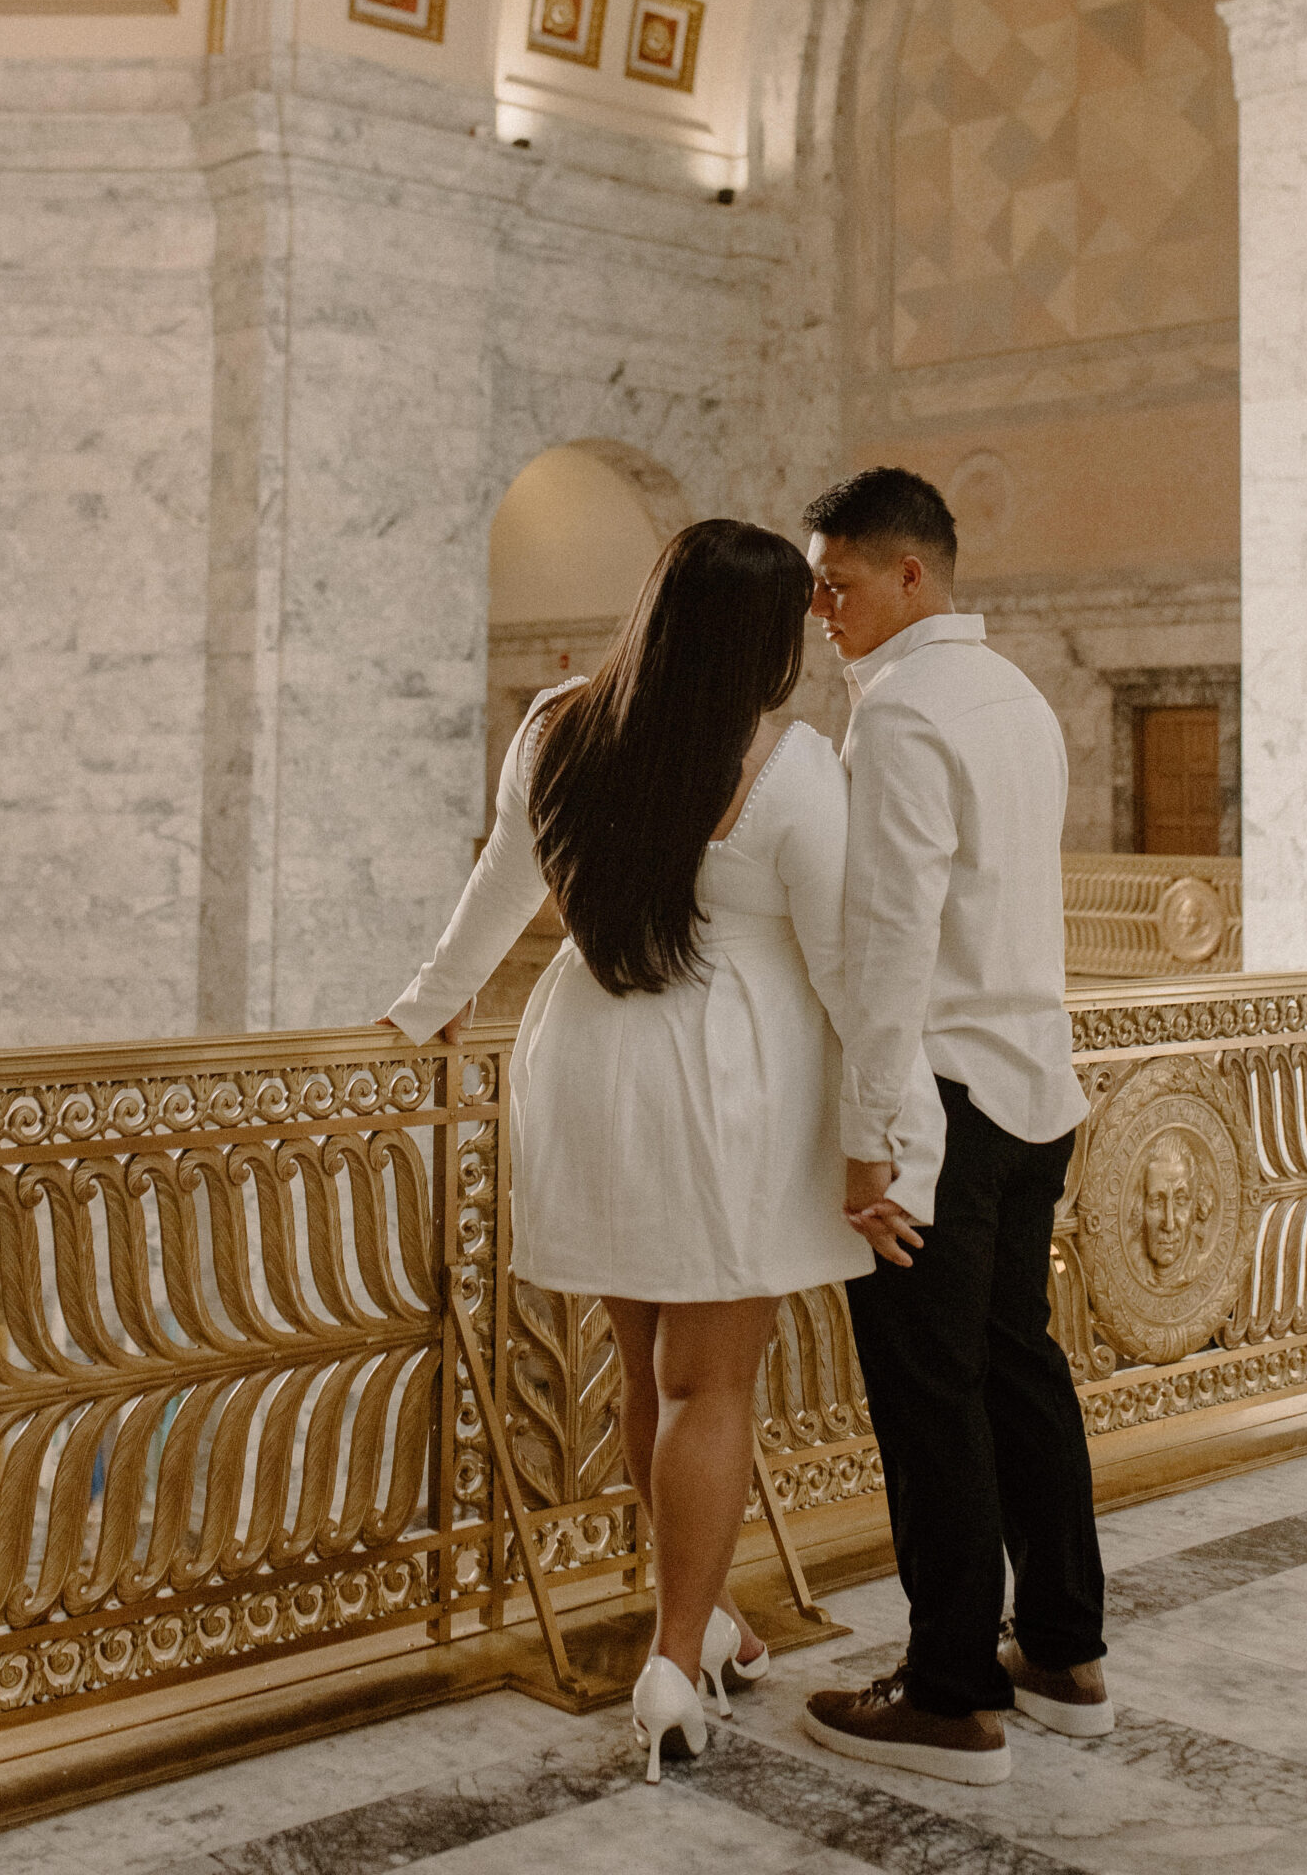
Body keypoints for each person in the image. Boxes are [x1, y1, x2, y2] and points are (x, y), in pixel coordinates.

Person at [374, 517, 941, 1782]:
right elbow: (852, 974)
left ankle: (713, 1615)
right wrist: (885, 1135)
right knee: (711, 1383)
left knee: (647, 1373)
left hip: (584, 1058)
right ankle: (675, 1657)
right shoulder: (788, 765)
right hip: (720, 1074)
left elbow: (503, 886)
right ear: (754, 637)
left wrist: (426, 1002)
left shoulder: (555, 724)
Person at [799, 466, 1111, 1788]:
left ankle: (945, 1693)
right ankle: (1058, 1648)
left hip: (939, 1106)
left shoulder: (903, 713)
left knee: (930, 1399)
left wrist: (867, 1129)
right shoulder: (1018, 697)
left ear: (907, 574)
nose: (820, 609)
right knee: (1016, 1368)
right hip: (1034, 1082)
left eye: (838, 582)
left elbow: (887, 943)